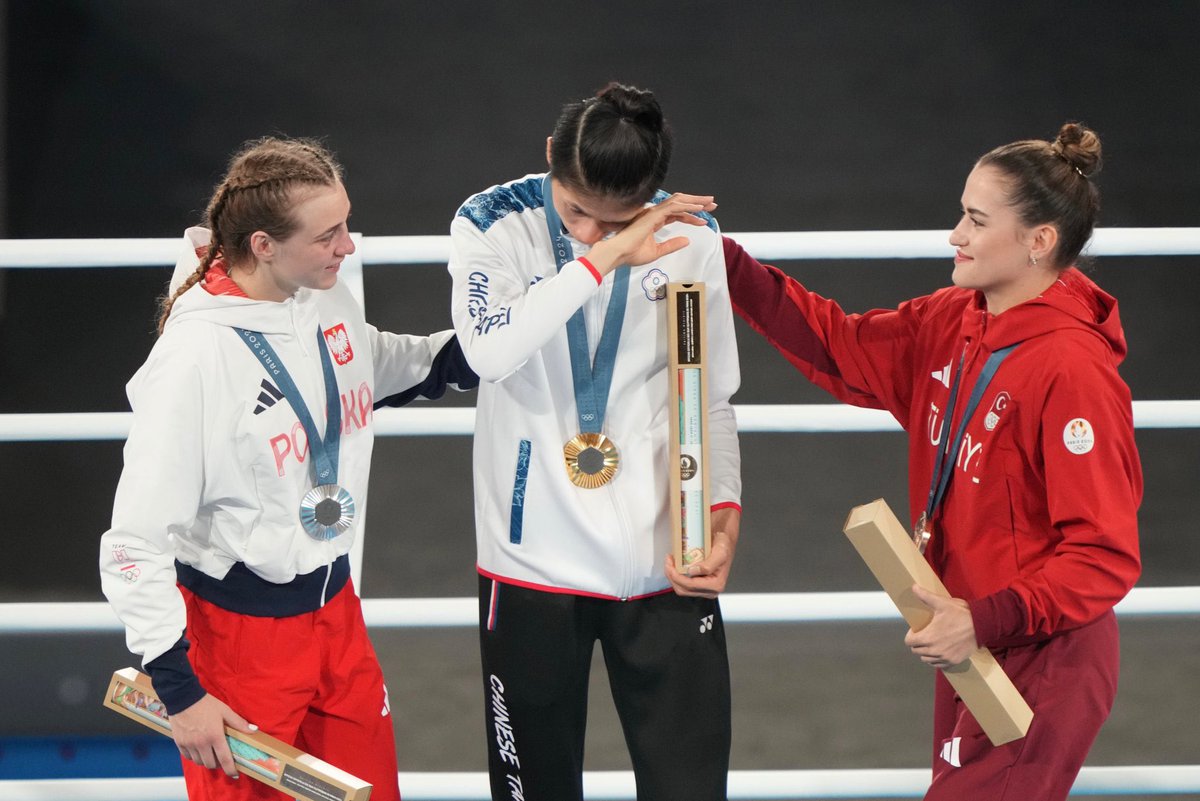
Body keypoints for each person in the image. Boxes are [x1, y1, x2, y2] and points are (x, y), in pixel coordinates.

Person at [722, 123, 1141, 800]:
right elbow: (839, 346)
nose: (955, 235)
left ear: (1039, 241)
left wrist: (981, 620)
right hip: (971, 642)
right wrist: (720, 260)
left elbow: (1103, 556)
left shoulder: (1073, 371)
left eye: (977, 220)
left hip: (1040, 657)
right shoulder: (954, 319)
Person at [100, 136, 477, 801]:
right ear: (264, 245)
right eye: (328, 235)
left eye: (346, 225)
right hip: (238, 645)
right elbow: (133, 541)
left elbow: (376, 365)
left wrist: (495, 344)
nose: (347, 247)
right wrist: (180, 692)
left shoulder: (319, 293)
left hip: (336, 611)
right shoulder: (194, 360)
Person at [448, 82, 743, 801]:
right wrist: (607, 257)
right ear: (551, 155)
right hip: (530, 564)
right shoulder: (491, 221)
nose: (590, 231)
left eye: (616, 220)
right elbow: (488, 351)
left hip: (665, 559)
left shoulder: (692, 238)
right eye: (576, 212)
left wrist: (721, 516)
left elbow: (710, 395)